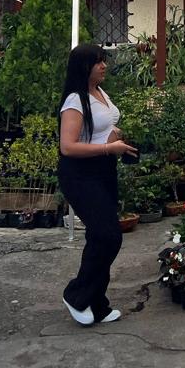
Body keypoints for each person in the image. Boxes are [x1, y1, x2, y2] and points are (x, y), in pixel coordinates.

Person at [58, 43, 137, 326]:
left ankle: (97, 302)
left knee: (100, 237)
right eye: (98, 62)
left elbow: (102, 130)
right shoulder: (75, 101)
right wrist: (108, 149)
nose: (104, 66)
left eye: (104, 61)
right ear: (84, 67)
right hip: (80, 175)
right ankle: (77, 294)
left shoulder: (100, 93)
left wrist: (117, 138)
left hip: (104, 171)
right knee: (108, 236)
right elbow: (67, 147)